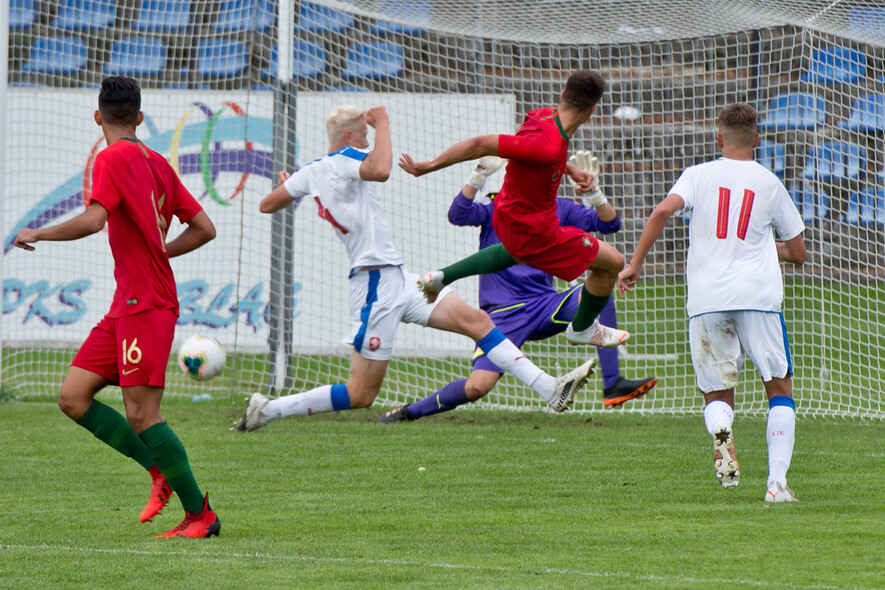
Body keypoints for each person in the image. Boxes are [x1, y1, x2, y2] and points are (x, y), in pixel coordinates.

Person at [232, 105, 596, 432]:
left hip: (398, 278)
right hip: (374, 285)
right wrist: (384, 121)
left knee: (479, 324)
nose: (368, 139)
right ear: (348, 137)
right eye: (364, 133)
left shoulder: (311, 173)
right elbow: (382, 169)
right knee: (361, 394)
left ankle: (550, 388)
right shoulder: (343, 159)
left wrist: (294, 187)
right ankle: (267, 411)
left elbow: (267, 204)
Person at [13, 76, 221, 537]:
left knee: (142, 414)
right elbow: (205, 227)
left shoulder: (111, 157)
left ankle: (200, 516)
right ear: (140, 117)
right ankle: (158, 469)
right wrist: (158, 250)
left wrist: (38, 232)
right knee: (73, 396)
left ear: (97, 117)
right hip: (128, 304)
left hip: (146, 305)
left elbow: (93, 219)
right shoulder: (157, 162)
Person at [617, 103, 807, 503]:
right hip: (758, 297)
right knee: (779, 388)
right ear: (757, 139)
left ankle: (722, 432)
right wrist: (759, 247)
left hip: (707, 298)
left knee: (717, 394)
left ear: (718, 138)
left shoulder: (697, 175)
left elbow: (662, 211)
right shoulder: (769, 181)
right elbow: (798, 252)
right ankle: (776, 485)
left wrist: (634, 264)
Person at [380, 154, 656, 423]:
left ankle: (613, 384)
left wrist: (594, 192)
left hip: (545, 306)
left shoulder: (560, 208)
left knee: (601, 289)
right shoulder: (497, 206)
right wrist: (476, 177)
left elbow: (610, 223)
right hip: (500, 316)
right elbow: (458, 213)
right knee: (478, 386)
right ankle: (410, 412)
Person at [398, 69, 629, 350]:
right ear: (593, 109)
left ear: (562, 95)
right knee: (613, 264)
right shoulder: (547, 144)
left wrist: (567, 169)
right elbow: (479, 144)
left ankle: (441, 277)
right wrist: (429, 165)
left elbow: (536, 155)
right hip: (537, 230)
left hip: (507, 218)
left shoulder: (541, 116)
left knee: (517, 253)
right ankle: (582, 328)